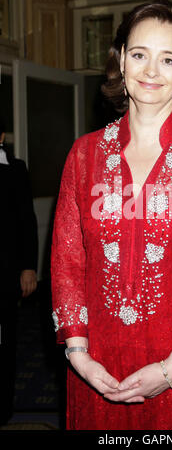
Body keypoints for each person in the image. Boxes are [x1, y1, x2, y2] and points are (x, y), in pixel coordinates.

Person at [51, 0, 172, 430]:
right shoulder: (83, 155)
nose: (150, 70)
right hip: (100, 370)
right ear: (121, 60)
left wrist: (171, 370)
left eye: (168, 59)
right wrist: (79, 356)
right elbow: (68, 264)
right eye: (139, 54)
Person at [0, 121, 38, 425]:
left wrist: (28, 267)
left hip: (4, 273)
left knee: (4, 341)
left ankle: (2, 407)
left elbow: (27, 220)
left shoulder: (15, 169)